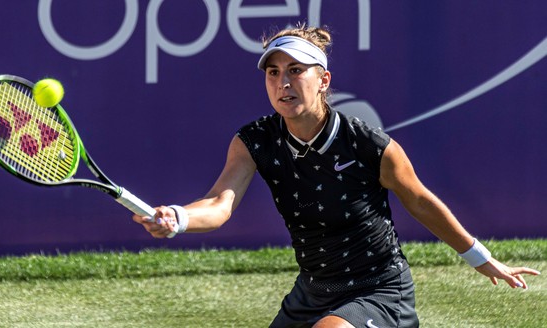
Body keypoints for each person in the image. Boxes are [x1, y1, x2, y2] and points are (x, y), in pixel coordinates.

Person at [132, 24, 540, 328]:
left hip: (379, 290)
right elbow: (220, 204)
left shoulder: (368, 144)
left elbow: (419, 200)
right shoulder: (254, 141)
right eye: (273, 73)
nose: (282, 82)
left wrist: (481, 259)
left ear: (323, 80)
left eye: (295, 70)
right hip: (314, 289)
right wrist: (178, 217)